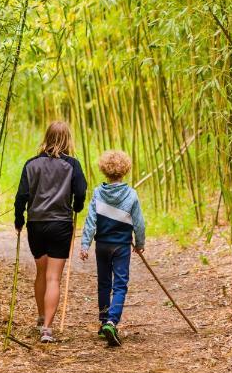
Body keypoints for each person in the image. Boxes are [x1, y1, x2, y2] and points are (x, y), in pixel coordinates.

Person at [15, 121, 87, 343]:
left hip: (36, 224)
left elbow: (21, 196)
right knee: (53, 277)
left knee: (41, 274)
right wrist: (77, 207)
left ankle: (40, 317)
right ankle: (47, 328)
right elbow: (81, 191)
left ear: (47, 137)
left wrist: (19, 219)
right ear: (67, 139)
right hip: (60, 224)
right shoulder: (72, 165)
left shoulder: (31, 164)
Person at [80, 149, 145, 347]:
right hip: (122, 246)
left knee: (104, 283)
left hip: (102, 245)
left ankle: (103, 322)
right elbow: (139, 223)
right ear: (125, 170)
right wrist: (140, 243)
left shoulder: (98, 193)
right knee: (120, 284)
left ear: (104, 170)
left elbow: (91, 220)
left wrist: (85, 244)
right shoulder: (131, 195)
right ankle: (111, 321)